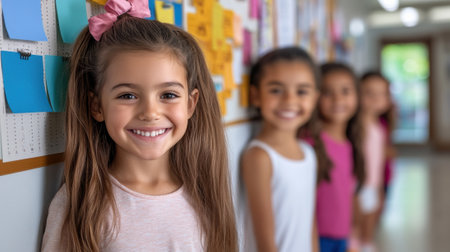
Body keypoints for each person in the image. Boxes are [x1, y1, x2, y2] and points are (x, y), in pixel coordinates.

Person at [41, 1, 237, 251]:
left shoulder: (206, 197)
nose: (150, 113)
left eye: (168, 95)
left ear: (191, 104)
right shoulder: (77, 204)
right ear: (97, 106)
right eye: (128, 96)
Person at [240, 46, 330, 252]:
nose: (290, 100)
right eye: (276, 90)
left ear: (315, 98)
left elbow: (310, 222)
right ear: (255, 95)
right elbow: (265, 240)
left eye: (301, 91)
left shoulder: (308, 152)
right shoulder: (260, 156)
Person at [314, 63, 365, 252]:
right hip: (317, 240)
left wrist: (354, 237)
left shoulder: (351, 142)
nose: (338, 99)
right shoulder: (311, 143)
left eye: (345, 91)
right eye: (327, 92)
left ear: (357, 96)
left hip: (343, 238)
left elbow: (350, 194)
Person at [356, 71, 395, 252]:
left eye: (381, 94)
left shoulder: (379, 125)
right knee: (355, 230)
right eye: (369, 93)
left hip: (373, 185)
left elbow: (378, 162)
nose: (375, 99)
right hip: (357, 187)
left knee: (368, 230)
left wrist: (380, 188)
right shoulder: (358, 126)